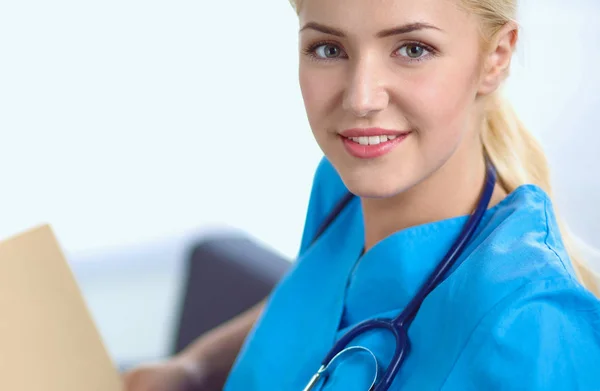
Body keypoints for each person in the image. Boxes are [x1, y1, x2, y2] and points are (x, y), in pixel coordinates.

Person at [124, 0, 600, 389]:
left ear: (496, 57)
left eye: (413, 49)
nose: (360, 99)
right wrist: (193, 369)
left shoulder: (531, 327)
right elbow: (319, 302)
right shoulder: (344, 187)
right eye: (329, 48)